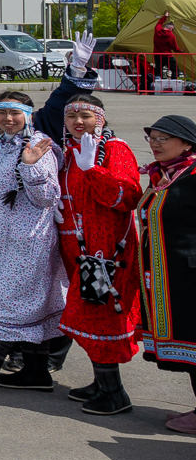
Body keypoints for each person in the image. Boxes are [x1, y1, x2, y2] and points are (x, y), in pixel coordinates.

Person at [0, 92, 68, 398]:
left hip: (31, 245)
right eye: (2, 113)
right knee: (28, 308)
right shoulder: (3, 147)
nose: (7, 119)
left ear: (28, 115)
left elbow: (46, 198)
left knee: (8, 308)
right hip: (9, 244)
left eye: (15, 113)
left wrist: (30, 167)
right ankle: (36, 373)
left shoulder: (38, 147)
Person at [56, 91, 142, 416]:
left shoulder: (115, 150)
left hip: (108, 255)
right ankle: (101, 382)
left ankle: (114, 393)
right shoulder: (72, 152)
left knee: (97, 316)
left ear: (100, 118)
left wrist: (94, 170)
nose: (78, 122)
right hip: (83, 251)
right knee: (89, 314)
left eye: (86, 116)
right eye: (71, 116)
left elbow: (128, 196)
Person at [139, 114, 196, 434]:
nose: (156, 144)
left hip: (190, 273)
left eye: (164, 138)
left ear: (187, 143)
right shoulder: (164, 175)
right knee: (189, 343)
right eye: (153, 138)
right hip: (172, 274)